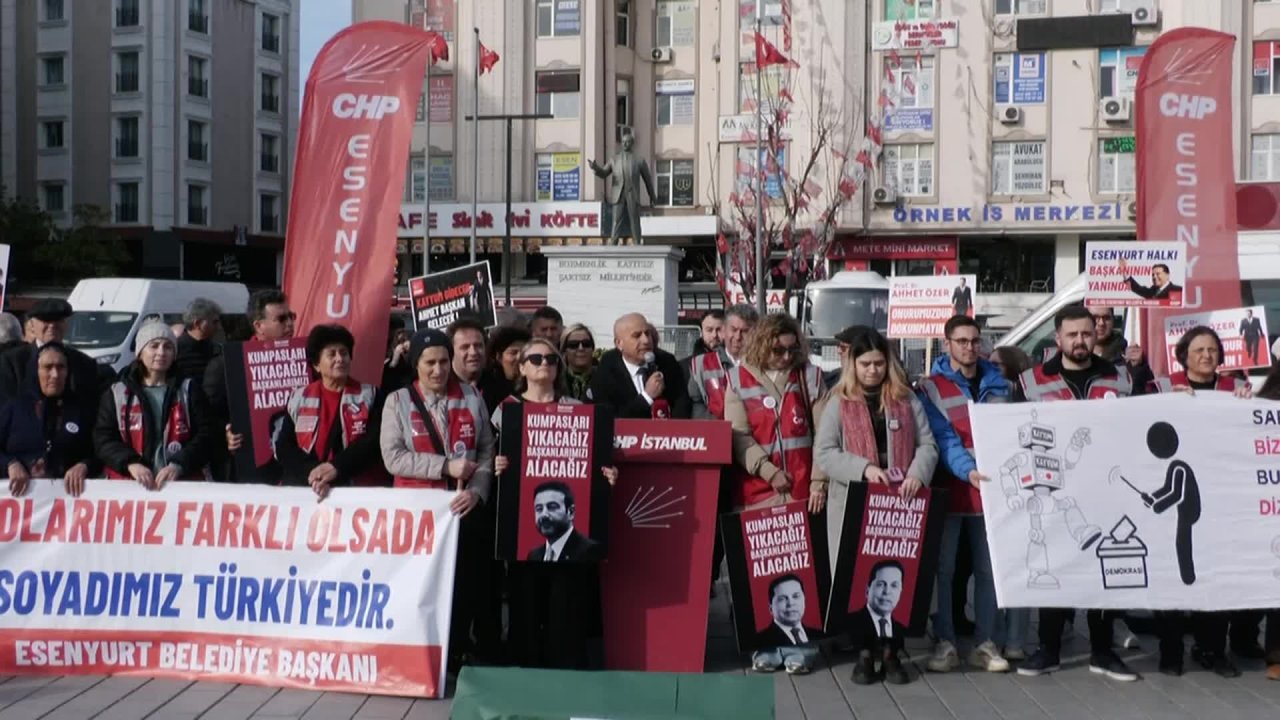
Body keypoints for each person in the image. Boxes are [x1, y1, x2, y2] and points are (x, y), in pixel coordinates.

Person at [1012, 304, 1138, 682]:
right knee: (1056, 566)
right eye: (1073, 335)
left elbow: (1141, 423)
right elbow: (1013, 433)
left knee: (1104, 572)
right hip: (1054, 489)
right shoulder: (1030, 381)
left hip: (1105, 491)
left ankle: (1103, 651)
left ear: (1096, 335)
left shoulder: (1121, 379)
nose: (1081, 340)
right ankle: (1048, 649)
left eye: (1087, 333)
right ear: (1058, 338)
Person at [814, 326, 937, 685]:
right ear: (854, 363)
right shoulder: (839, 401)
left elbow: (927, 445)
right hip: (855, 501)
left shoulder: (906, 399)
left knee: (896, 573)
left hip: (898, 504)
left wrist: (918, 473)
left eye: (879, 363)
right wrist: (863, 468)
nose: (873, 370)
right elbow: (825, 452)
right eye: (866, 363)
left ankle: (892, 651)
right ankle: (865, 651)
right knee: (861, 577)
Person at [491, 338, 618, 670]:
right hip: (521, 531)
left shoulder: (577, 409)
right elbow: (487, 455)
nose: (543, 363)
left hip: (573, 541)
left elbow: (595, 461)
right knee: (526, 602)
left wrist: (607, 472)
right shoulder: (504, 409)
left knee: (567, 603)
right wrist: (496, 465)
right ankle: (527, 667)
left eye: (550, 358)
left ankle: (567, 668)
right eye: (535, 358)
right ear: (521, 367)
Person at [379, 328, 498, 665]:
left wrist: (477, 491)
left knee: (462, 589)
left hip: (463, 511)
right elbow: (393, 457)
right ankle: (417, 655)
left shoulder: (472, 397)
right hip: (418, 516)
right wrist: (446, 466)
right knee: (421, 589)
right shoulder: (397, 401)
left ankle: (455, 654)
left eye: (444, 361)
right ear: (416, 364)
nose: (438, 370)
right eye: (430, 363)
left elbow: (487, 450)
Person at [1144, 326, 1250, 678]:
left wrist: (1249, 407)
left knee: (1216, 577)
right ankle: (1170, 650)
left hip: (1221, 505)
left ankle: (1212, 649)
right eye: (1199, 350)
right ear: (1185, 356)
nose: (1207, 356)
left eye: (1212, 351)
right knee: (1175, 577)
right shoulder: (1161, 387)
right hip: (1178, 519)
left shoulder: (1235, 390)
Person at [917, 316, 1011, 674]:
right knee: (944, 569)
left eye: (975, 341)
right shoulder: (931, 388)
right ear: (947, 344)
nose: (969, 347)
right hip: (952, 490)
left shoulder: (1000, 384)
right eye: (961, 341)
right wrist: (968, 471)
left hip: (993, 494)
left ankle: (986, 643)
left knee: (990, 571)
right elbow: (942, 438)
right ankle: (944, 641)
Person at [94, 320, 214, 487]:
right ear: (140, 353)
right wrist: (130, 463)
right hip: (130, 485)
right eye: (154, 346)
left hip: (181, 484)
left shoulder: (189, 389)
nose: (161, 352)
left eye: (168, 347)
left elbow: (207, 435)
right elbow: (103, 438)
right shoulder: (117, 392)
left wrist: (179, 464)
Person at [274, 324, 387, 495]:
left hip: (354, 489)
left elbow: (372, 442)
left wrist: (336, 468)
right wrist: (314, 474)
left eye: (344, 352)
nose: (340, 359)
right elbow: (284, 446)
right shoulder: (298, 397)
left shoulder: (370, 395)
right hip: (306, 488)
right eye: (331, 354)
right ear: (317, 365)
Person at [210, 290, 296, 483]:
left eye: (291, 316)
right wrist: (225, 433)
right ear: (259, 326)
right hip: (250, 472)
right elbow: (208, 415)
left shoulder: (304, 357)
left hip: (294, 471)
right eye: (281, 319)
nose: (290, 324)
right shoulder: (230, 363)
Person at [2, 342, 100, 498]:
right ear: (36, 370)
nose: (55, 374)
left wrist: (84, 465)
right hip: (19, 505)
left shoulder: (82, 409)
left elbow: (100, 451)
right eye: (48, 367)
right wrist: (10, 464)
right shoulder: (15, 407)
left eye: (60, 367)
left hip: (68, 505)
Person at [0, 299, 102, 407]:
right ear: (32, 326)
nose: (52, 326)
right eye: (46, 320)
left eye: (58, 321)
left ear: (66, 325)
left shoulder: (84, 364)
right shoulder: (11, 362)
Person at [589, 313, 690, 419]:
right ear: (619, 343)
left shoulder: (667, 362)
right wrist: (646, 397)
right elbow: (610, 419)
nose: (646, 340)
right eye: (637, 336)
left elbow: (682, 407)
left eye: (647, 333)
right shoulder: (606, 370)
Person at [688, 305, 757, 420]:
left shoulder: (764, 364)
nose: (738, 337)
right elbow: (696, 403)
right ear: (724, 331)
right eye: (733, 330)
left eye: (745, 331)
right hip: (716, 433)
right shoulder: (701, 364)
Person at [849, 560, 912, 684]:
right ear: (868, 589)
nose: (887, 591)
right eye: (880, 584)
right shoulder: (853, 618)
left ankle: (890, 653)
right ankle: (865, 652)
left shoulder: (899, 625)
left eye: (894, 585)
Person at [589, 132, 656, 246]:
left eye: (628, 142)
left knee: (634, 220)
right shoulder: (614, 159)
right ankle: (613, 243)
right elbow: (604, 173)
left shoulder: (639, 160)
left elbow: (647, 179)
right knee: (616, 220)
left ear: (632, 143)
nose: (625, 144)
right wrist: (595, 168)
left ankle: (637, 243)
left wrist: (652, 196)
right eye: (623, 142)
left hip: (632, 193)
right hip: (618, 194)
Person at [751, 574, 822, 674]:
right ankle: (766, 654)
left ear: (804, 599)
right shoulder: (761, 637)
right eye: (782, 599)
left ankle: (800, 656)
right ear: (770, 607)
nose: (790, 603)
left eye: (796, 596)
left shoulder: (816, 633)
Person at [526, 481, 603, 562]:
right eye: (539, 509)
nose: (544, 514)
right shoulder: (534, 556)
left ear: (571, 512)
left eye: (552, 507)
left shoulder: (591, 552)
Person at [1090, 307, 1153, 395]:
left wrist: (1138, 368)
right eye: (1095, 318)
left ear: (1113, 320)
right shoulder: (1074, 356)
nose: (1101, 323)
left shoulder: (1128, 357)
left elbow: (1145, 395)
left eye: (1106, 318)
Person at [482, 325, 531, 421]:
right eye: (513, 353)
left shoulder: (533, 386)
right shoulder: (487, 387)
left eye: (524, 352)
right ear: (499, 357)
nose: (519, 357)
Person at [175, 298, 222, 383]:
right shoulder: (175, 350)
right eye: (214, 322)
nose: (219, 327)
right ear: (197, 324)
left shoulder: (217, 350)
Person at [560, 323, 597, 402]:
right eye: (573, 345)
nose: (581, 348)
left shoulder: (604, 377)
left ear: (592, 348)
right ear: (564, 350)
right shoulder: (555, 379)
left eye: (586, 344)